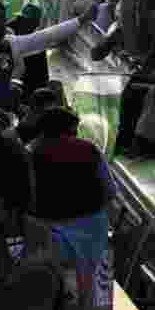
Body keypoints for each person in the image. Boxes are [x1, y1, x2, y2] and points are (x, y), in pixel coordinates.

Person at [0, 0, 95, 111]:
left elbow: (47, 36)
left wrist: (81, 20)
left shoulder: (12, 43)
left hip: (2, 114)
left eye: (0, 18)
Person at [29, 107, 113, 277]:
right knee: (92, 285)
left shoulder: (33, 152)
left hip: (51, 232)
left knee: (52, 282)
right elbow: (110, 191)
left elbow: (27, 195)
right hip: (93, 232)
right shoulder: (91, 149)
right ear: (72, 128)